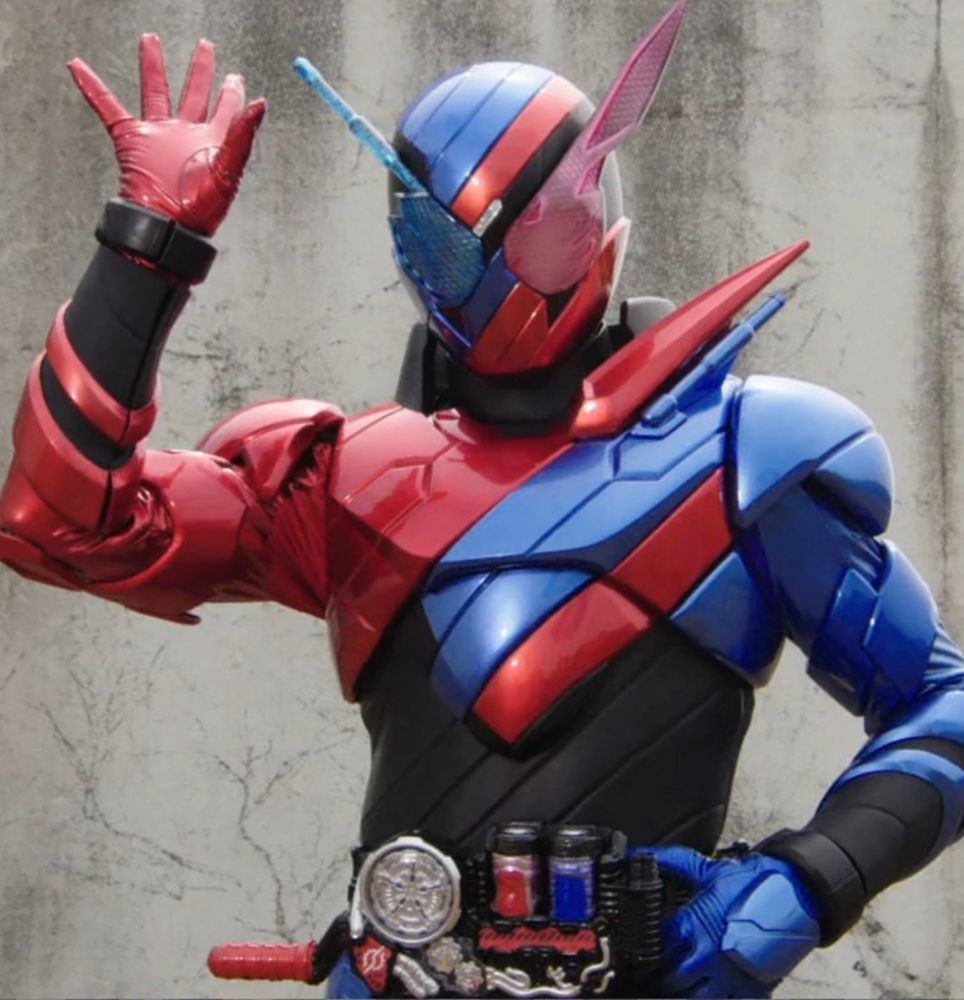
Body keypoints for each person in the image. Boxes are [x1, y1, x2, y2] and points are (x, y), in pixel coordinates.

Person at [1, 3, 962, 997]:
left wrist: (798, 886)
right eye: (449, 240)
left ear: (596, 220)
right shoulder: (351, 477)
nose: (504, 269)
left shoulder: (736, 457)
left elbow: (942, 703)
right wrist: (148, 244)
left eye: (544, 227)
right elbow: (65, 523)